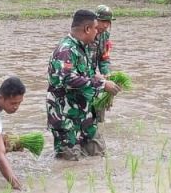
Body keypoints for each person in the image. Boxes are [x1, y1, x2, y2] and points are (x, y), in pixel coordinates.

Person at [47, 9, 122, 161]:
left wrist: (98, 77)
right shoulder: (66, 50)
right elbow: (68, 79)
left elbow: (84, 74)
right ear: (87, 29)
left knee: (98, 155)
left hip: (85, 115)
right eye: (95, 29)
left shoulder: (83, 47)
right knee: (69, 162)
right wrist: (102, 84)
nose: (98, 32)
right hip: (66, 117)